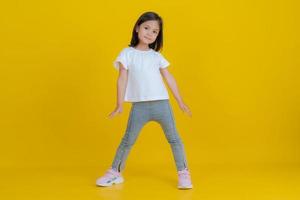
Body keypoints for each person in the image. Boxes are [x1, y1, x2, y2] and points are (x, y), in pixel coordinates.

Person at [96, 11, 193, 189]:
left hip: (162, 104)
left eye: (155, 31)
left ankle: (184, 174)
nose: (150, 33)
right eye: (146, 28)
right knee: (127, 140)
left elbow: (169, 77)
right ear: (137, 28)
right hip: (139, 107)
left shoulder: (156, 56)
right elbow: (122, 78)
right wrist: (119, 104)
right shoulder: (127, 53)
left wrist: (180, 101)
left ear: (158, 35)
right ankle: (114, 173)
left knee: (174, 139)